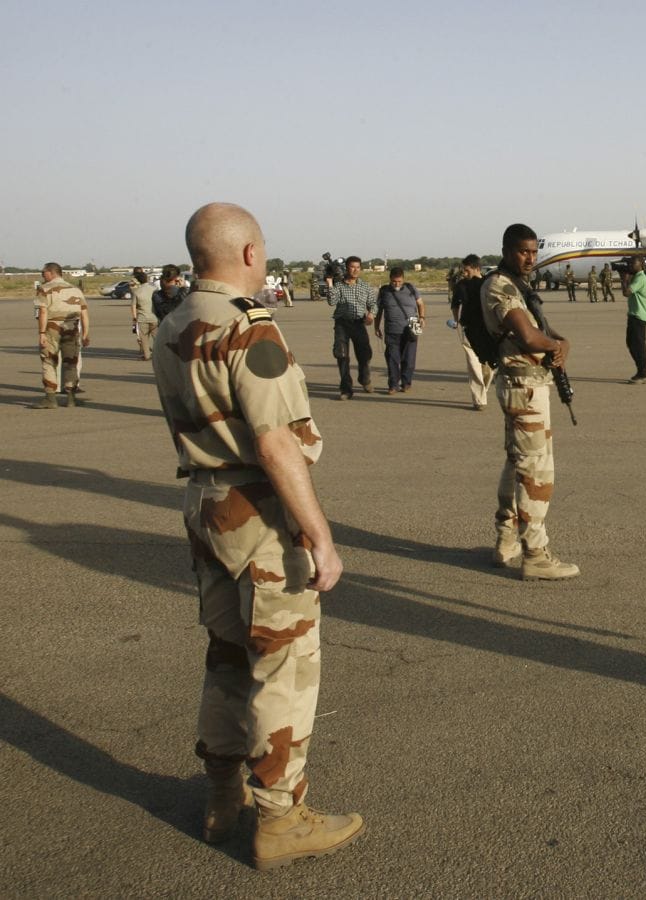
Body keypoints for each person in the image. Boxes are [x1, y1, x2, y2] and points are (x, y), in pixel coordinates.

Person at [151, 202, 363, 869]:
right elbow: (276, 442)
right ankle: (279, 816)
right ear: (247, 253)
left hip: (205, 503)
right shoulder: (248, 328)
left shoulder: (174, 322)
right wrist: (318, 535)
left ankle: (222, 795)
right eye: (263, 248)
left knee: (226, 654)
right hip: (258, 512)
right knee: (285, 664)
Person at [481, 223, 578, 581]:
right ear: (507, 250)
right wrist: (554, 347)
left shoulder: (519, 286)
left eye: (535, 252)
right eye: (524, 251)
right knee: (536, 471)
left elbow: (543, 330)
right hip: (523, 387)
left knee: (516, 463)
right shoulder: (499, 285)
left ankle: (506, 538)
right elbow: (526, 334)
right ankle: (536, 553)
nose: (530, 258)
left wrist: (560, 342)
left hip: (530, 385)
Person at [31, 262, 89, 409]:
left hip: (52, 328)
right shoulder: (75, 290)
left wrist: (41, 333)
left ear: (51, 272)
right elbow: (84, 313)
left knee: (49, 361)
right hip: (72, 328)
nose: (42, 276)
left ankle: (50, 398)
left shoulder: (44, 289)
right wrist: (86, 334)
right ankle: (71, 398)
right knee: (71, 362)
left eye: (43, 273)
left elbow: (42, 312)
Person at [327, 256, 376, 399]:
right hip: (342, 324)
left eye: (358, 267)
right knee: (342, 355)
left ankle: (365, 379)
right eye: (352, 267)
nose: (355, 270)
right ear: (346, 268)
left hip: (359, 324)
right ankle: (346, 389)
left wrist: (371, 314)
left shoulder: (364, 286)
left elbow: (373, 303)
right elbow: (332, 301)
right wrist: (330, 284)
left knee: (365, 354)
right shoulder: (339, 286)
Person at [449, 254, 494, 410]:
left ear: (476, 268)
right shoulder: (460, 285)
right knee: (473, 365)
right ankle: (479, 399)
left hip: (487, 330)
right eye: (463, 270)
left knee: (488, 367)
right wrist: (456, 321)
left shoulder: (487, 283)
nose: (464, 273)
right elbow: (455, 305)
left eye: (467, 270)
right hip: (468, 329)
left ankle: (483, 390)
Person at [374, 266, 424, 394]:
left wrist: (422, 317)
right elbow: (378, 310)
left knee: (409, 359)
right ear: (390, 279)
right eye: (394, 281)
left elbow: (420, 304)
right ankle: (393, 385)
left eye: (399, 281)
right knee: (392, 359)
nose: (397, 284)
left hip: (412, 326)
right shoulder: (384, 291)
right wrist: (376, 326)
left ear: (403, 279)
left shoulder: (411, 288)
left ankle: (406, 383)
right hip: (391, 329)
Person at [621, 256, 646, 385]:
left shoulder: (640, 277)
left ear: (641, 265)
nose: (630, 265)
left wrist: (623, 280)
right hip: (634, 315)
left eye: (633, 263)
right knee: (631, 344)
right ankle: (641, 371)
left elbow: (627, 292)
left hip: (639, 316)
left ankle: (643, 373)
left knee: (638, 345)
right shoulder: (636, 277)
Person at [129, 268, 157, 360]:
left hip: (142, 318)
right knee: (157, 337)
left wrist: (134, 317)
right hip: (154, 317)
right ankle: (160, 354)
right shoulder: (154, 289)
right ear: (147, 279)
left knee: (144, 338)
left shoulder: (136, 291)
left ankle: (146, 355)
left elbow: (133, 306)